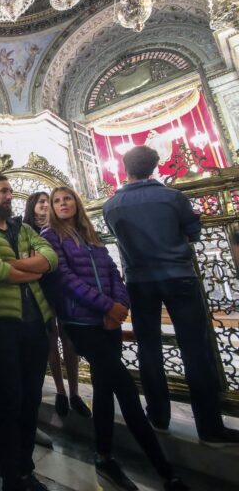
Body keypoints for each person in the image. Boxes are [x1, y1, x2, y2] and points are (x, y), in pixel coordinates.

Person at [42, 186, 189, 491]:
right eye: (56, 201)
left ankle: (104, 456)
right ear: (52, 209)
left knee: (105, 388)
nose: (63, 203)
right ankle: (167, 473)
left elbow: (112, 271)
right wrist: (108, 306)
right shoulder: (50, 237)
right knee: (126, 391)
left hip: (107, 322)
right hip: (80, 321)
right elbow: (65, 280)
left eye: (67, 198)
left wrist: (120, 306)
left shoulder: (90, 236)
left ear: (76, 203)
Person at [103, 145, 239, 446]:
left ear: (126, 168)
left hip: (139, 280)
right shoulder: (172, 197)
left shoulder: (111, 206)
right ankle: (209, 426)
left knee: (149, 348)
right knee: (195, 350)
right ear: (155, 167)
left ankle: (159, 416)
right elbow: (193, 234)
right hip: (179, 277)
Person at [0, 175, 58, 491]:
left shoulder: (24, 228)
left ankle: (25, 469)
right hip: (2, 325)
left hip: (36, 323)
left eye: (9, 191)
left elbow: (51, 259)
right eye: (3, 191)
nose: (10, 196)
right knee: (11, 399)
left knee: (31, 399)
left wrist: (18, 264)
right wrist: (32, 267)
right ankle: (9, 477)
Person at [24, 191, 90, 419]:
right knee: (51, 340)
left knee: (69, 339)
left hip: (63, 289)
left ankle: (74, 392)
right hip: (41, 290)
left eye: (46, 202)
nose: (44, 205)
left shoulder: (61, 227)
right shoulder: (26, 230)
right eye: (41, 202)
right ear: (32, 206)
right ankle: (61, 391)